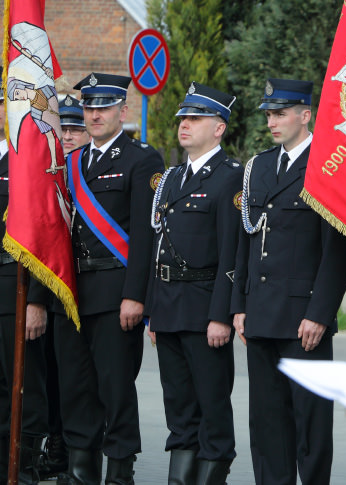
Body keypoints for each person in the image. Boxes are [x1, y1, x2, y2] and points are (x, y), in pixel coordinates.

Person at [231, 78, 346, 485]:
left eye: (280, 113)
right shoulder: (259, 166)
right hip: (262, 314)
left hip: (304, 319)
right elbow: (246, 242)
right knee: (267, 423)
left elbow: (336, 251)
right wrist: (239, 306)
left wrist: (320, 313)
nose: (272, 122)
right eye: (268, 114)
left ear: (306, 115)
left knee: (311, 425)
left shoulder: (326, 164)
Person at [54, 72, 164, 484]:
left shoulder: (142, 159)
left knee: (115, 389)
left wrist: (136, 295)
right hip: (73, 292)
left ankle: (120, 473)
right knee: (76, 387)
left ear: (122, 109)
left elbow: (144, 234)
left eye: (103, 107)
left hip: (115, 291)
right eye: (89, 107)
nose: (94, 115)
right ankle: (82, 473)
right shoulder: (72, 163)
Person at [145, 82, 241, 484]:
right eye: (183, 118)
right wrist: (152, 312)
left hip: (205, 311)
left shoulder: (231, 177)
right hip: (168, 307)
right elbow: (157, 248)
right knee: (179, 409)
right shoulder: (170, 179)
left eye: (195, 118)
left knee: (212, 410)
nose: (184, 124)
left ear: (218, 127)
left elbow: (231, 255)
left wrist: (221, 315)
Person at [36, 95, 90, 481]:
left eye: (74, 129)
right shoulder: (46, 172)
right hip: (52, 287)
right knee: (51, 373)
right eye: (62, 129)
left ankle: (84, 451)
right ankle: (56, 442)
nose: (67, 136)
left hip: (91, 289)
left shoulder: (94, 172)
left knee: (86, 379)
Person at [0, 88, 50, 484]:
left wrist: (36, 299)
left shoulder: (22, 155)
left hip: (11, 285)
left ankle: (25, 465)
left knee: (22, 382)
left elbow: (40, 229)